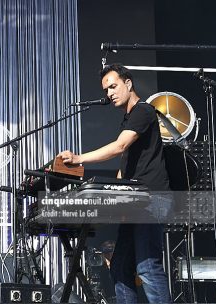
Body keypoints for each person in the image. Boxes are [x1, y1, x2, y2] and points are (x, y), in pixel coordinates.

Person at [57, 63, 171, 303]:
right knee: (119, 267)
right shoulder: (130, 118)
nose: (109, 93)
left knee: (148, 268)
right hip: (136, 202)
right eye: (106, 89)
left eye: (113, 86)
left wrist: (78, 159)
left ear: (128, 83)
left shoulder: (144, 111)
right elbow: (126, 166)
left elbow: (119, 146)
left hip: (152, 200)